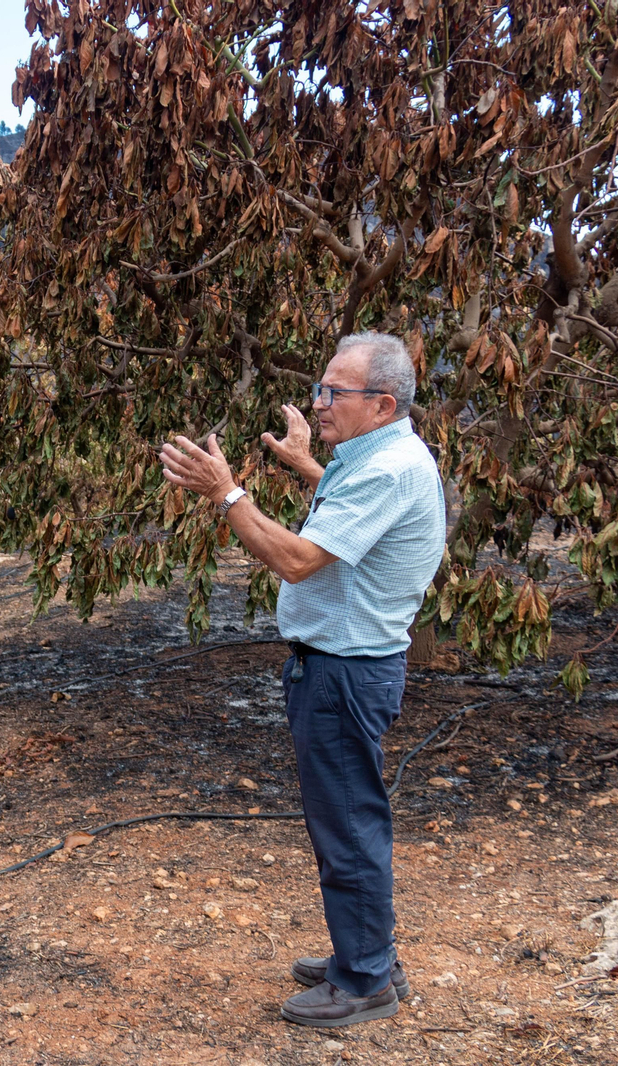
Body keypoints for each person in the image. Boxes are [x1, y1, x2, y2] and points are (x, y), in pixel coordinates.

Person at [157, 332, 446, 1028]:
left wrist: (226, 494)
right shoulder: (381, 454)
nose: (318, 403)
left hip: (345, 674)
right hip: (345, 667)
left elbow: (294, 559)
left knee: (348, 827)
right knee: (349, 822)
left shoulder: (387, 468)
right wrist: (308, 467)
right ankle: (368, 952)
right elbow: (359, 521)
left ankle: (366, 981)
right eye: (320, 388)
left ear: (381, 403)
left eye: (331, 393)